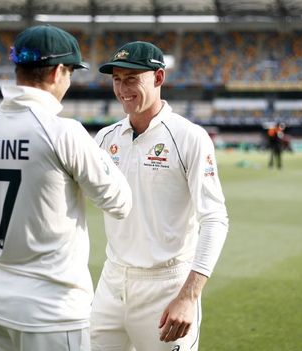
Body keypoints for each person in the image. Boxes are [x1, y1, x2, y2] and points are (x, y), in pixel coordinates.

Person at [0, 25, 132, 351]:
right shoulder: (64, 132)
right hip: (53, 312)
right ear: (55, 72)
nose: (69, 82)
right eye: (70, 73)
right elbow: (120, 202)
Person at [91, 41, 229, 351]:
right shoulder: (105, 138)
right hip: (111, 282)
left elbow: (215, 218)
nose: (122, 88)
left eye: (131, 79)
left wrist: (189, 296)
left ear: (158, 78)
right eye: (116, 79)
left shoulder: (189, 137)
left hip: (166, 286)